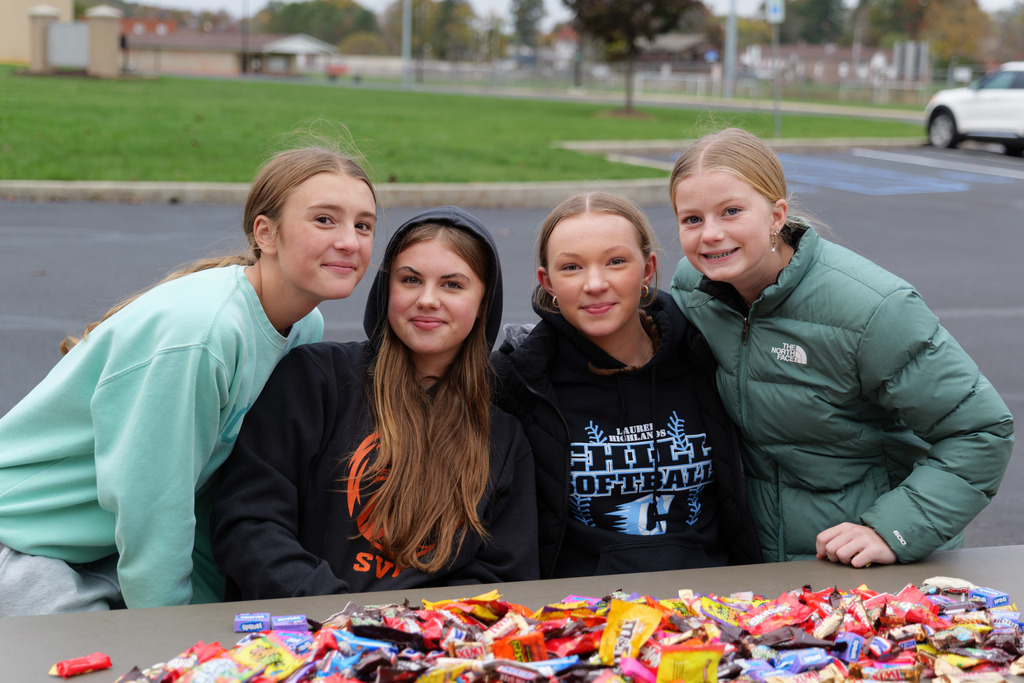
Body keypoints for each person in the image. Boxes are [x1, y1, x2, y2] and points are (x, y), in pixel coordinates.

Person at [0, 146, 378, 615]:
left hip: (101, 549)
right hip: (21, 541)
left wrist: (210, 616)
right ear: (266, 234)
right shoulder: (203, 334)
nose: (349, 241)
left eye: (363, 225)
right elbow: (154, 509)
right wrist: (173, 634)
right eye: (325, 220)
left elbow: (206, 493)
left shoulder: (304, 327)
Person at [669, 127, 1014, 567]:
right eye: (692, 219)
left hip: (861, 568)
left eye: (731, 211)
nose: (710, 234)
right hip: (754, 561)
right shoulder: (695, 288)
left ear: (777, 216)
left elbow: (980, 431)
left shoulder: (872, 309)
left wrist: (892, 529)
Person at [211, 206, 539, 598]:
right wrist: (341, 616)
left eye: (453, 285)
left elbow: (500, 575)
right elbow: (250, 523)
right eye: (410, 280)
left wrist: (412, 631)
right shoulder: (316, 380)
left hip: (424, 647)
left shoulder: (502, 435)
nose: (428, 300)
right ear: (387, 290)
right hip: (301, 633)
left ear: (483, 304)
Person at [491, 192, 761, 580]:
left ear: (648, 269)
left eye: (616, 261)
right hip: (578, 617)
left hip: (712, 605)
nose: (595, 284)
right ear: (547, 282)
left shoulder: (707, 356)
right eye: (571, 268)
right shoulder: (517, 383)